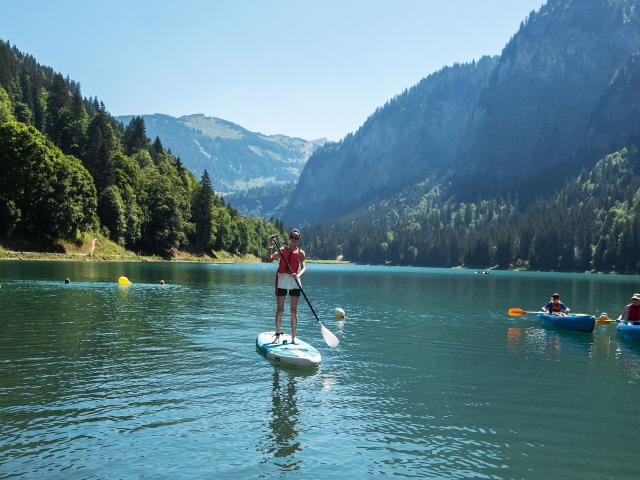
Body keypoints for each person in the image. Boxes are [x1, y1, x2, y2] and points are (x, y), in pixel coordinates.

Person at [266, 229, 306, 344]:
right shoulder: (282, 250)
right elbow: (269, 259)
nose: (294, 239)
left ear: (298, 240)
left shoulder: (301, 253)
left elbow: (304, 268)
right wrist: (271, 245)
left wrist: (297, 275)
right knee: (280, 309)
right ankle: (277, 335)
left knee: (294, 311)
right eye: (292, 237)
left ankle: (293, 338)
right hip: (282, 280)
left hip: (295, 280)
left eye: (296, 238)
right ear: (289, 238)